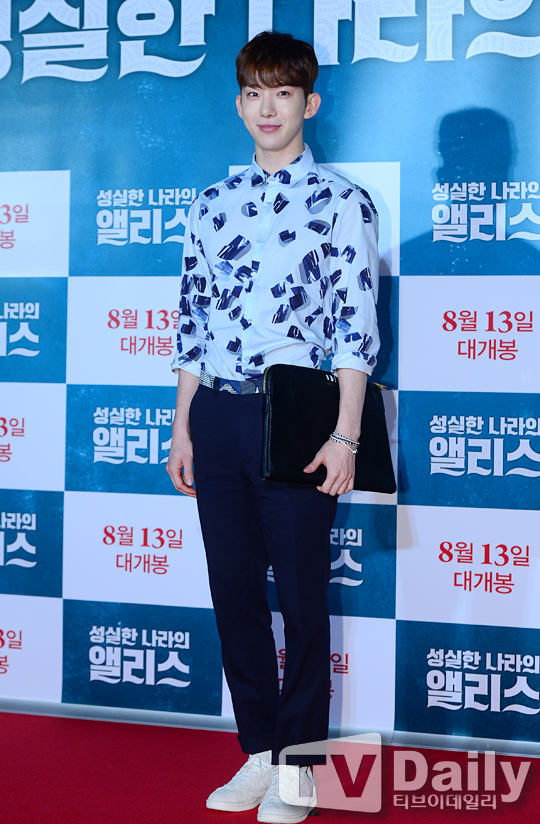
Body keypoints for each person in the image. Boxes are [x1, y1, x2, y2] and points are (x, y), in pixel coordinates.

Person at [166, 30, 380, 824]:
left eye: (282, 93)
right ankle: (259, 751)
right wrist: (183, 426)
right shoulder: (210, 204)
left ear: (309, 103)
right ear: (238, 103)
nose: (268, 107)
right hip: (216, 413)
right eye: (254, 92)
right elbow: (192, 324)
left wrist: (346, 434)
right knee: (233, 594)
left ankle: (299, 766)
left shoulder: (343, 203)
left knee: (300, 595)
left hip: (296, 417)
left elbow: (356, 328)